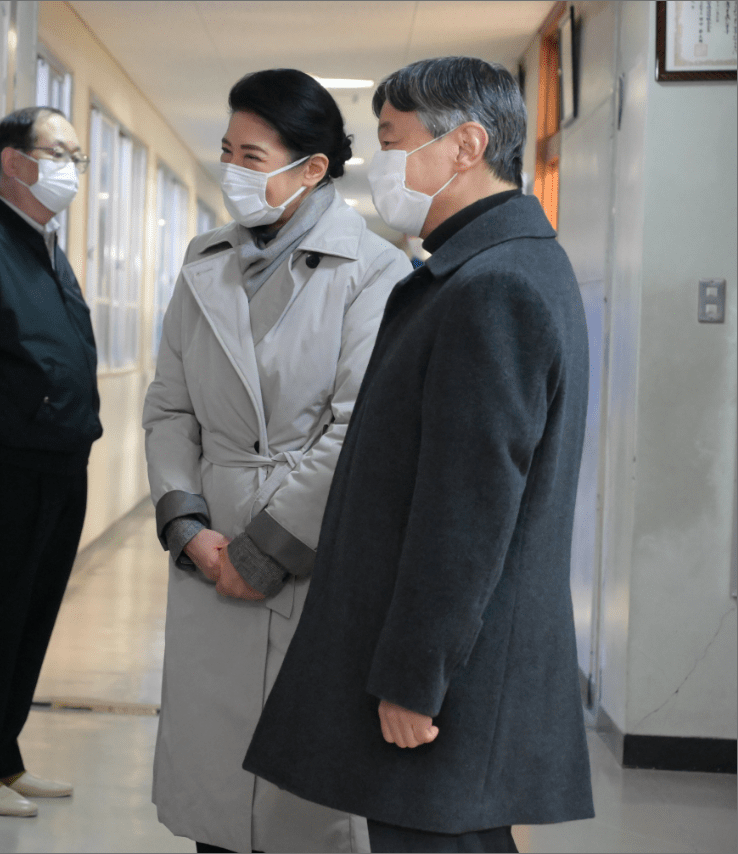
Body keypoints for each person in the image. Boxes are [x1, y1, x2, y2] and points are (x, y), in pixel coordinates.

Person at [243, 56, 595, 854]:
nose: (380, 166)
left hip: (447, 679)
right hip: (454, 666)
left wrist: (411, 678)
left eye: (394, 142)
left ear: (466, 146)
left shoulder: (491, 287)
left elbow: (464, 514)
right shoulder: (492, 267)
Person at [142, 69, 411, 854]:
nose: (233, 170)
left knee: (302, 808)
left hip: (310, 551)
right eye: (227, 150)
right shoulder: (205, 260)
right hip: (209, 555)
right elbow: (168, 408)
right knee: (216, 800)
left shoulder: (373, 271)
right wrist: (188, 526)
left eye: (253, 156)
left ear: (313, 168)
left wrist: (264, 551)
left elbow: (356, 431)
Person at [0, 107, 101, 817]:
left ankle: (3, 753)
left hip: (63, 462)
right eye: (57, 151)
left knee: (33, 619)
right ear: (13, 162)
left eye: (76, 155)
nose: (69, 167)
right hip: (9, 469)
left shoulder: (45, 243)